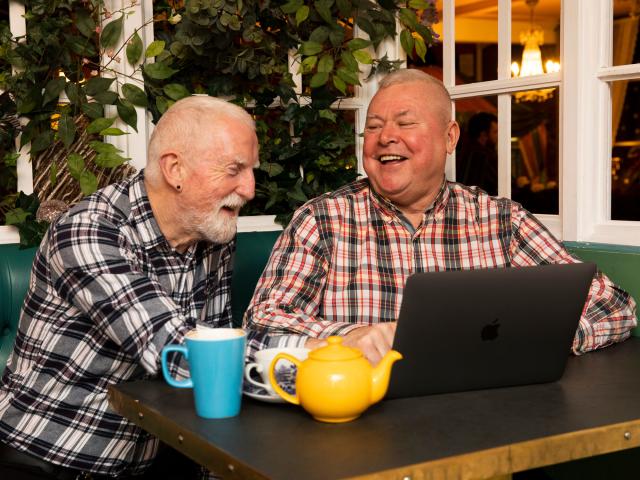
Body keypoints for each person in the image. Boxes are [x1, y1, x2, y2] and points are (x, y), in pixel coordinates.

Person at [244, 68, 637, 366]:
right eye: (374, 127)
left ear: (450, 138)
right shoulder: (321, 220)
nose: (385, 137)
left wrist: (532, 340)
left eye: (405, 123)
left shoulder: (500, 221)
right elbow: (260, 326)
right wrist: (347, 337)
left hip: (482, 426)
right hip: (360, 432)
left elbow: (614, 306)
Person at [0, 96, 259, 478]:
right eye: (234, 169)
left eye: (252, 170)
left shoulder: (212, 232)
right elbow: (179, 352)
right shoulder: (89, 229)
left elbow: (214, 348)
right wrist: (309, 359)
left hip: (150, 455)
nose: (250, 189)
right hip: (48, 455)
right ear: (175, 169)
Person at [456, 111, 498, 195]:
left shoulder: (463, 151)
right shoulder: (482, 156)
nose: (498, 136)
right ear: (483, 135)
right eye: (495, 132)